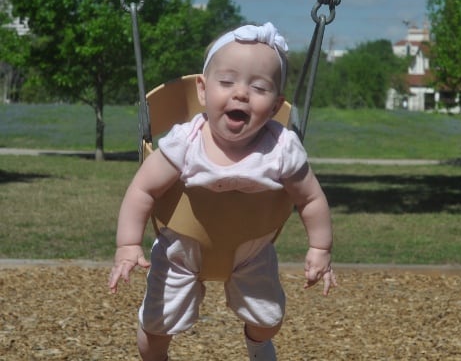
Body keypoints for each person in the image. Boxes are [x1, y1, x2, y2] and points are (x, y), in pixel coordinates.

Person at [108, 22, 336, 361]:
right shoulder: (185, 142)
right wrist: (128, 244)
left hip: (251, 251)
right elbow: (142, 189)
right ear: (203, 90)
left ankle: (257, 344)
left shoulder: (282, 148)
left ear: (276, 106)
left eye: (259, 87)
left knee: (269, 319)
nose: (241, 93)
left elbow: (311, 198)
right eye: (226, 82)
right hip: (180, 252)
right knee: (156, 328)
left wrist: (320, 247)